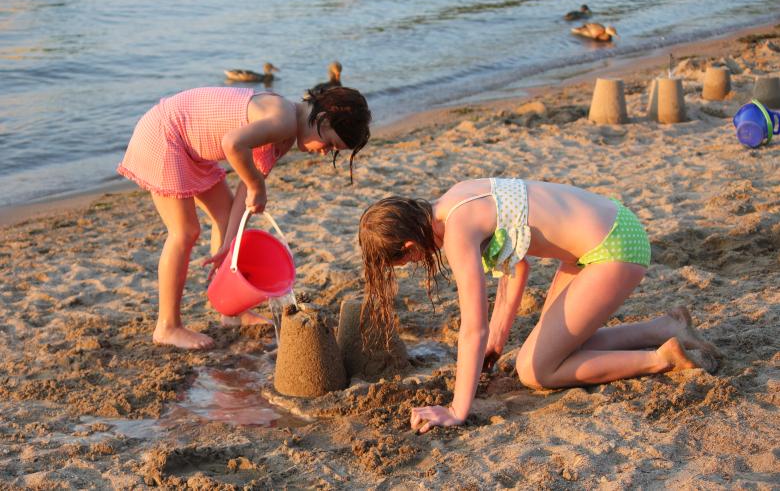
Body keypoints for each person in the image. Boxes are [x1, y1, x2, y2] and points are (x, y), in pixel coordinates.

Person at [358, 177, 719, 433]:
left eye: (407, 262)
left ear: (408, 247)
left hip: (614, 250)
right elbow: (516, 266)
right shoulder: (456, 197)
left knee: (536, 371)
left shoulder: (456, 233)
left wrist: (456, 410)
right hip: (606, 230)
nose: (417, 264)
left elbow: (471, 328)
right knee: (552, 350)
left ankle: (660, 359)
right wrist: (498, 341)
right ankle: (666, 327)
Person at [118, 86, 371, 349]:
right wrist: (256, 187)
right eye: (330, 144)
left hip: (188, 146)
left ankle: (231, 311)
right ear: (321, 120)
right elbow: (232, 144)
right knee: (185, 231)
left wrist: (230, 240)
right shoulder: (282, 118)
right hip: (165, 135)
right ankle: (167, 326)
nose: (326, 152)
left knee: (228, 219)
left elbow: (246, 188)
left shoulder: (285, 132)